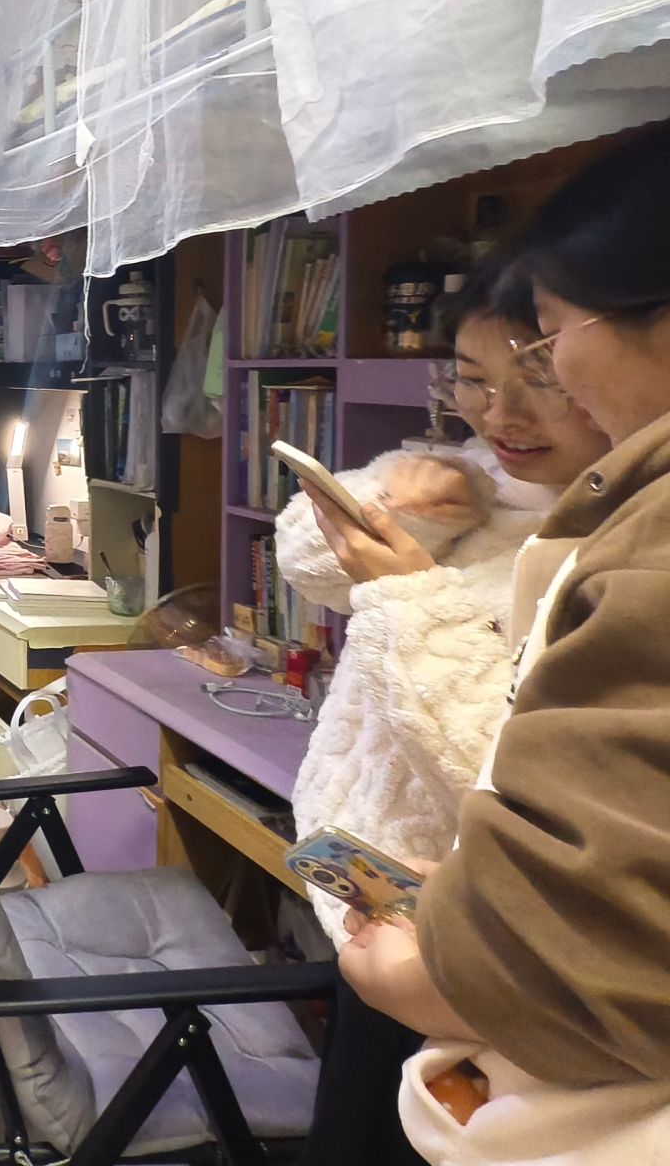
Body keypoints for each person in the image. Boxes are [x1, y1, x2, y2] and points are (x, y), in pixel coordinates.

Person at [339, 133, 670, 1159]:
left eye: (547, 346)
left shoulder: (634, 530)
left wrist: (433, 967)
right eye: (475, 381)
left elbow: (584, 930)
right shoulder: (500, 496)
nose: (510, 406)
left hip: (492, 997)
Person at [273, 260, 608, 1166]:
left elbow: (518, 784)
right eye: (472, 379)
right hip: (381, 899)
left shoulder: (608, 548)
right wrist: (403, 501)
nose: (501, 415)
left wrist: (411, 592)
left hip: (494, 951)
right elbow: (305, 554)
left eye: (539, 378)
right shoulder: (480, 476)